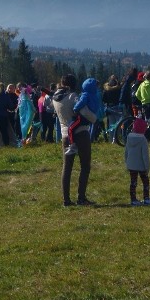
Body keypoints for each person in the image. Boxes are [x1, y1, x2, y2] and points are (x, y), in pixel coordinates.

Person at [53, 74, 98, 206]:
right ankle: (81, 198)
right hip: (81, 132)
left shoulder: (55, 98)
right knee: (85, 166)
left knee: (67, 168)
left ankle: (66, 199)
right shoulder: (73, 96)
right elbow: (84, 111)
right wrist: (94, 118)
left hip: (65, 134)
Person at [65, 78, 100, 155]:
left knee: (71, 128)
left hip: (82, 116)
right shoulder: (95, 95)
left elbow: (81, 102)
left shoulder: (85, 94)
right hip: (90, 116)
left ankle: (72, 146)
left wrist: (75, 108)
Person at [124, 117, 150, 206]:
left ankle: (133, 200)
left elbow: (126, 151)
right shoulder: (143, 139)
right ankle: (146, 198)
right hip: (141, 165)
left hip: (131, 164)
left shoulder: (129, 137)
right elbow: (145, 155)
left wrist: (127, 162)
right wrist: (147, 167)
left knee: (133, 182)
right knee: (145, 182)